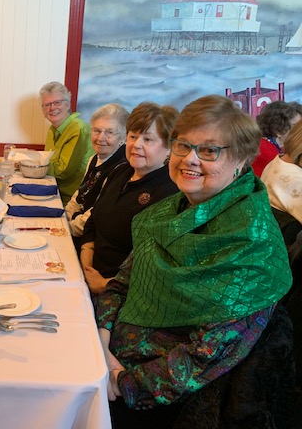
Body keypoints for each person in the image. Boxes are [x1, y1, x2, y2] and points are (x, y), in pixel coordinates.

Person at [98, 95, 292, 427]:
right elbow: (121, 284)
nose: (190, 158)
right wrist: (101, 342)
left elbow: (206, 355)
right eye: (183, 145)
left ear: (241, 159)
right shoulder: (170, 212)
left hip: (164, 402)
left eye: (210, 150)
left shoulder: (253, 243)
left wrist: (119, 382)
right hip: (107, 357)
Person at [79, 102, 179, 294]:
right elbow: (93, 219)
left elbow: (154, 264)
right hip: (87, 268)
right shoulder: (121, 171)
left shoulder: (170, 192)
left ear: (169, 147)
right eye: (133, 136)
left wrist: (103, 284)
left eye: (148, 139)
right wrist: (86, 258)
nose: (136, 145)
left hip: (117, 291)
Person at [65, 103, 129, 241]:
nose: (100, 138)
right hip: (76, 227)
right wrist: (64, 217)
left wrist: (67, 229)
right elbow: (79, 195)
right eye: (97, 130)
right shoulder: (94, 159)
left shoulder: (122, 169)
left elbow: (96, 215)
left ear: (123, 138)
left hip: (91, 238)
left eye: (110, 132)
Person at [40, 81, 92, 205]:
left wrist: (33, 165)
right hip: (53, 190)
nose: (52, 108)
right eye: (47, 105)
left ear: (68, 105)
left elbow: (63, 171)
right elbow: (49, 161)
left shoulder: (77, 128)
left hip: (72, 200)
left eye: (57, 102)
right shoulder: (53, 129)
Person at [252, 100, 302, 177]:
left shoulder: (273, 146)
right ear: (278, 130)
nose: (299, 131)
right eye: (295, 127)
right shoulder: (267, 152)